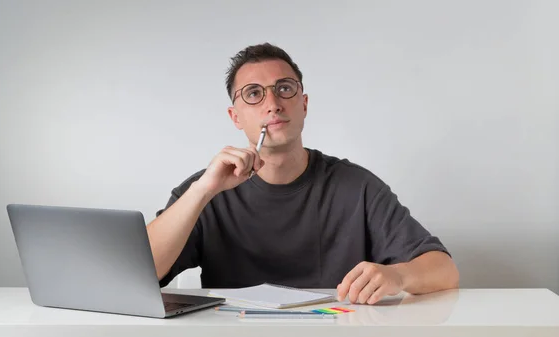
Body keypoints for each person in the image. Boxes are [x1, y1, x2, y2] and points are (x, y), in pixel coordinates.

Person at [147, 42, 459, 305]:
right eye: (253, 94)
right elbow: (141, 272)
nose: (273, 104)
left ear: (304, 104)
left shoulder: (357, 187)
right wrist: (202, 192)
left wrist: (397, 275)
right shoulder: (205, 189)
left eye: (284, 89)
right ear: (235, 117)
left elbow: (445, 271)